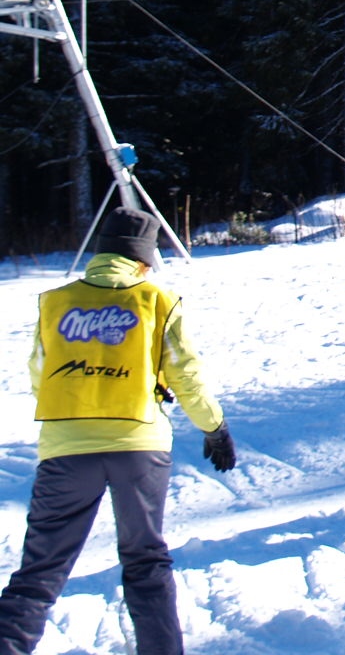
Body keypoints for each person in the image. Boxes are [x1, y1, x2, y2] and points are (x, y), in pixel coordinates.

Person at [0, 207, 235, 655]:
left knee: (41, 570)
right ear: (144, 259)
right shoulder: (157, 300)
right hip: (139, 445)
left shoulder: (55, 301)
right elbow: (186, 374)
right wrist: (214, 427)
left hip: (65, 447)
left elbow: (38, 372)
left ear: (101, 251)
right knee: (145, 560)